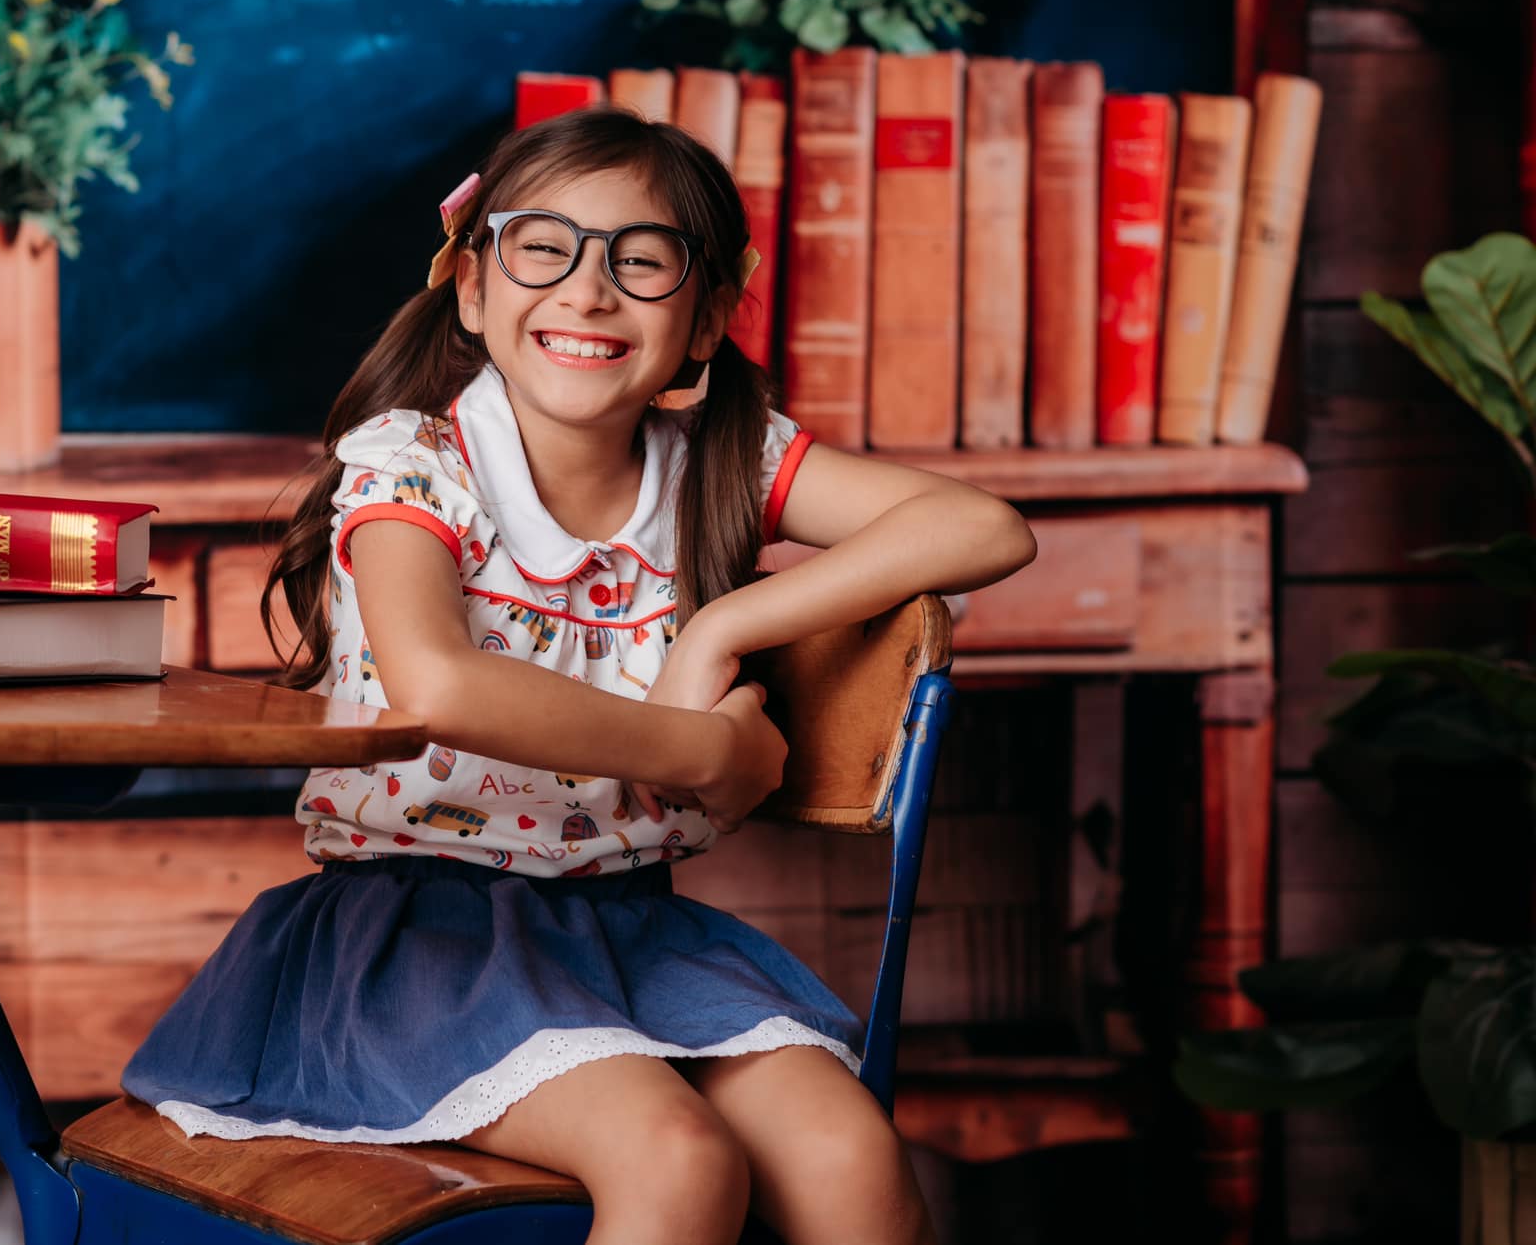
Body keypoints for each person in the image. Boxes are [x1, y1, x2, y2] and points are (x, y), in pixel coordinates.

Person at [123, 105, 1037, 1245]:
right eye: (541, 247)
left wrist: (721, 630)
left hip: (631, 934)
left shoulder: (720, 466)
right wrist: (705, 747)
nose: (587, 291)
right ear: (471, 289)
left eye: (640, 263)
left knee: (845, 1150)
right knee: (677, 1158)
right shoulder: (413, 469)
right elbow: (440, 687)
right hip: (414, 940)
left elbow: (982, 527)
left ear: (704, 320)